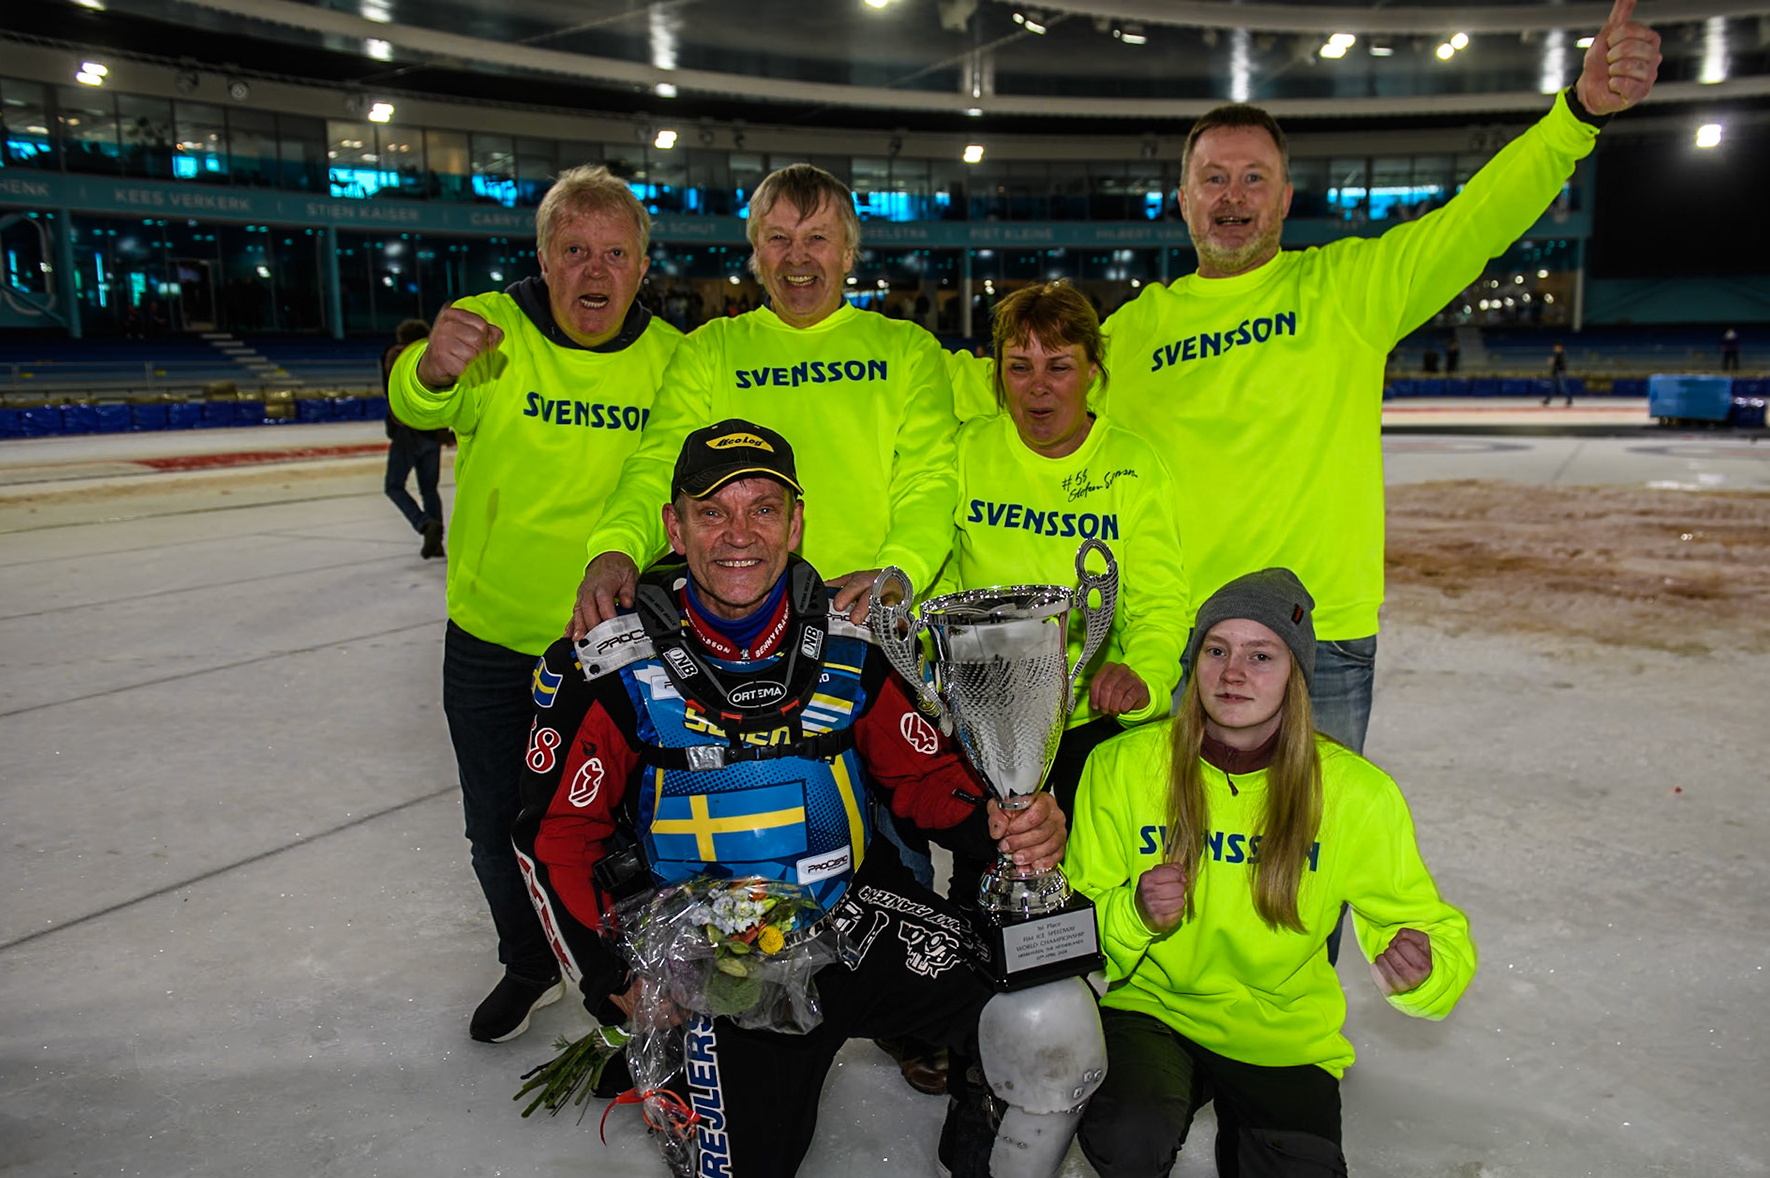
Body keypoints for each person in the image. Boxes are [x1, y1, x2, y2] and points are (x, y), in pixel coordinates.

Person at [517, 423, 1103, 1178]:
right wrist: (623, 983)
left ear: (797, 524)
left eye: (764, 508)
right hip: (719, 964)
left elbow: (926, 780)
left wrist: (1004, 819)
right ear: (673, 530)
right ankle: (679, 1074)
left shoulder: (854, 641)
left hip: (848, 915)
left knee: (1037, 1009)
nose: (740, 535)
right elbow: (552, 839)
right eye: (711, 513)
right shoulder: (609, 665)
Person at [1082, 0, 1660, 755]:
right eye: (1213, 178)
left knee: (1312, 863)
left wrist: (1577, 115)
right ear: (1182, 200)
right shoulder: (1129, 335)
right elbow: (1012, 395)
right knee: (1165, 869)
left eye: (1254, 178)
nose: (1233, 196)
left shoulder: (1347, 290)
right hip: (1171, 640)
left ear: (1285, 199)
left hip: (1315, 635)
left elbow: (1477, 222)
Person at [1064, 569, 1476, 1178]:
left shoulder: (1354, 793)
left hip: (1282, 1031)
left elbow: (1425, 922)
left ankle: (1252, 1155)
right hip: (1153, 1007)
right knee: (1129, 1141)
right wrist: (1133, 910)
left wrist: (1427, 964)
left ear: (1297, 674)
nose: (1233, 673)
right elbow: (1071, 925)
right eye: (1217, 650)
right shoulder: (1122, 765)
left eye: (1262, 655)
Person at [386, 165, 683, 1044]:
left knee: (627, 820)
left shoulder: (674, 360)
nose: (595, 271)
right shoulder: (495, 332)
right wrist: (428, 370)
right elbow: (416, 398)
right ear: (544, 258)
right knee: (495, 825)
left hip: (617, 643)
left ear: (641, 265)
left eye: (615, 254)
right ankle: (528, 959)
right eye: (575, 251)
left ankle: (632, 972)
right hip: (492, 638)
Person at [570, 163, 959, 639]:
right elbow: (659, 467)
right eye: (778, 239)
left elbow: (929, 479)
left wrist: (900, 571)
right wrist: (616, 548)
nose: (797, 258)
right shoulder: (708, 351)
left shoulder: (908, 350)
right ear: (756, 252)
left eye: (817, 238)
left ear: (849, 253)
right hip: (738, 627)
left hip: (871, 615)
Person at [935, 280, 1186, 830]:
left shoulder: (1132, 464)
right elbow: (943, 576)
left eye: (1060, 367)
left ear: (1094, 370)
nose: (1038, 388)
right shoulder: (968, 450)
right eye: (1020, 367)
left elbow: (1160, 601)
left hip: (1088, 728)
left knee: (1085, 895)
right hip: (981, 731)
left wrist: (1142, 672)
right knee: (984, 892)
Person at [380, 317, 446, 559]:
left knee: (394, 486)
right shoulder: (438, 356)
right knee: (429, 488)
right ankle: (435, 541)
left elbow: (392, 388)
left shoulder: (398, 355)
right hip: (434, 432)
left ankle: (424, 523)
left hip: (408, 432)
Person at [1544, 341, 1572, 406]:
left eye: (1556, 347)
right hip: (1556, 373)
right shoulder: (1557, 354)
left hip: (1560, 373)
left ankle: (1569, 400)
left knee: (1564, 387)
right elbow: (1555, 364)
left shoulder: (1561, 354)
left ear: (1559, 347)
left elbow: (1562, 364)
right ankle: (1548, 400)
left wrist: (1553, 362)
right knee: (1553, 388)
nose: (1555, 348)